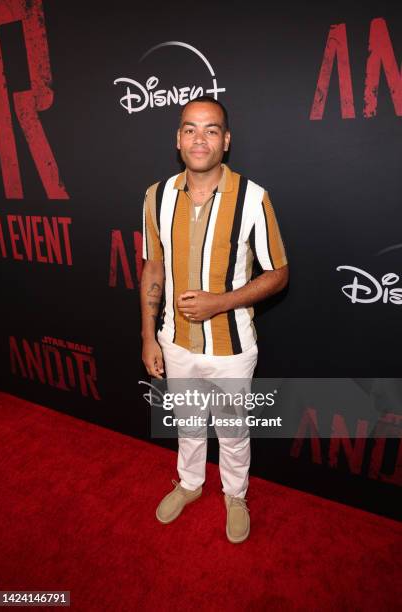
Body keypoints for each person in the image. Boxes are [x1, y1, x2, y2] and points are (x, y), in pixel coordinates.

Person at [140, 95, 289, 543]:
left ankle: (235, 493)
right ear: (178, 139)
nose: (198, 138)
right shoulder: (156, 195)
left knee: (232, 429)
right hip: (175, 340)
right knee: (186, 422)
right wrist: (149, 336)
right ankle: (188, 483)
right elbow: (152, 267)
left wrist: (219, 303)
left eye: (210, 130)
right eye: (190, 128)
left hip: (231, 347)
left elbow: (279, 273)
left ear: (225, 141)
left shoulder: (254, 197)